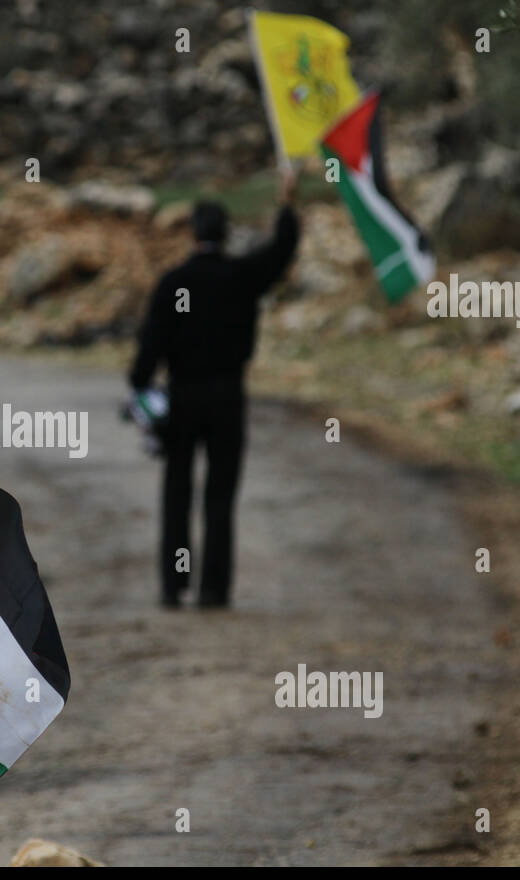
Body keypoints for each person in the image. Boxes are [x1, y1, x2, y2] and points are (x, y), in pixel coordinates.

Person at [128, 170, 300, 609]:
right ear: (226, 235)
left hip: (182, 399)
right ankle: (213, 590)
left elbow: (148, 353)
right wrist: (286, 204)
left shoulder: (173, 283)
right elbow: (280, 255)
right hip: (227, 398)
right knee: (220, 496)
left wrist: (142, 390)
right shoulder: (241, 277)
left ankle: (174, 584)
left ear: (191, 234)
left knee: (177, 493)